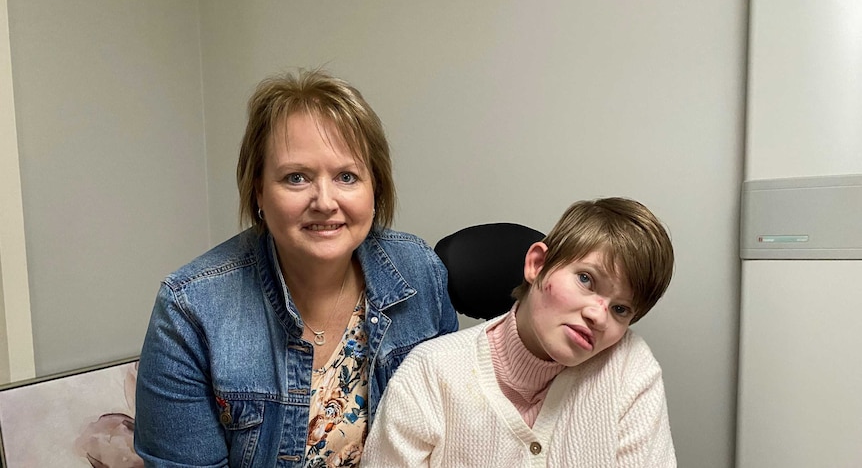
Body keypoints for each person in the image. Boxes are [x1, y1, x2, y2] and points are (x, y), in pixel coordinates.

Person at [134, 69, 459, 467]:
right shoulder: (190, 309)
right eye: (296, 177)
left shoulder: (420, 272)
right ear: (259, 191)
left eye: (347, 176)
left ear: (375, 187)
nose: (324, 201)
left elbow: (447, 435)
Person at [362, 197, 676, 467]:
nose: (598, 315)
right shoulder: (432, 373)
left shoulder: (629, 370)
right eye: (586, 279)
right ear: (537, 264)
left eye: (620, 309)